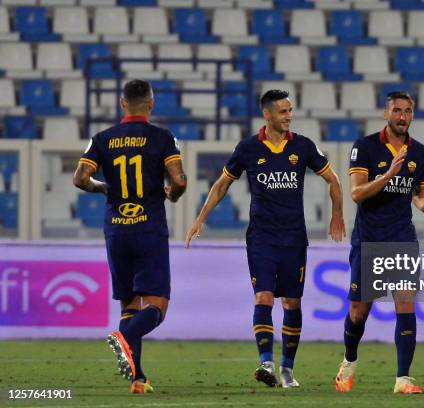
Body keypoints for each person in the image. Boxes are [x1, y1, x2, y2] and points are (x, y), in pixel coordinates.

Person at [185, 89, 345, 388]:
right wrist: (200, 217)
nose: (289, 116)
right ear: (267, 114)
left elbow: (333, 179)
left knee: (292, 303)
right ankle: (266, 363)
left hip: (294, 238)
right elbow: (221, 185)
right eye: (283, 111)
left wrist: (337, 214)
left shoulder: (303, 146)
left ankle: (287, 369)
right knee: (263, 297)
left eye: (290, 110)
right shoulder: (248, 149)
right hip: (261, 238)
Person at [335, 91, 424, 395]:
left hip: (402, 238)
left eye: (407, 111)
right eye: (396, 111)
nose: (402, 116)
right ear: (386, 113)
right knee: (358, 313)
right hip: (369, 238)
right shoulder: (364, 147)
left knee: (406, 303)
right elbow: (357, 193)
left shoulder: (419, 152)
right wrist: (388, 174)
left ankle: (403, 379)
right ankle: (348, 363)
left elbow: (418, 195)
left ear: (412, 115)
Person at [73, 79, 187, 394]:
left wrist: (102, 187)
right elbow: (179, 179)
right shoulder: (163, 138)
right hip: (148, 227)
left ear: (122, 104)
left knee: (128, 303)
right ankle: (123, 338)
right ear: (150, 104)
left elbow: (80, 178)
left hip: (116, 228)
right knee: (157, 305)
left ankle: (138, 379)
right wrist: (173, 194)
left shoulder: (102, 138)